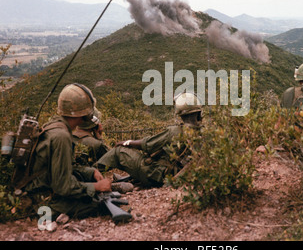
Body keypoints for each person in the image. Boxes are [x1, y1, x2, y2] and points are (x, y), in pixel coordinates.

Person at [24, 83, 112, 219]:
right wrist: (96, 187)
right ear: (86, 112)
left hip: (38, 191)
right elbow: (63, 186)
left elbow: (63, 168)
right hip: (42, 202)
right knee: (98, 204)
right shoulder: (62, 137)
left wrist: (91, 172)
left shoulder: (53, 126)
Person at [95, 92, 203, 188]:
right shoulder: (204, 133)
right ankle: (127, 180)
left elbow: (147, 145)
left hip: (158, 176)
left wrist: (127, 142)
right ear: (199, 112)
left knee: (118, 152)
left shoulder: (174, 131)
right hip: (177, 176)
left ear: (180, 113)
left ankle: (91, 174)